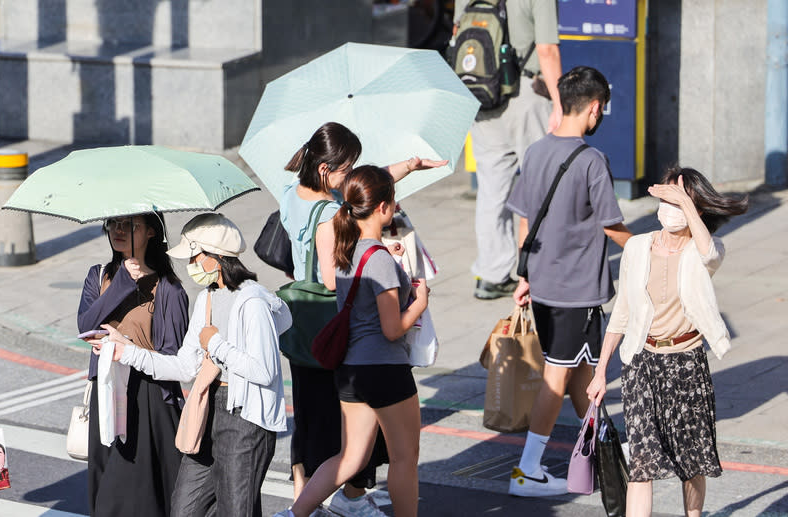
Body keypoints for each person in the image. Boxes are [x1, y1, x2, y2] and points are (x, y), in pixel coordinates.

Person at [279, 122, 444, 516]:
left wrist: (402, 168)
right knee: (405, 458)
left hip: (350, 369)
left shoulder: (344, 252)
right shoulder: (380, 260)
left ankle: (293, 514)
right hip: (384, 369)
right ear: (385, 208)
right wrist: (418, 301)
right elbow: (392, 328)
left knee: (350, 458)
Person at [93, 213, 292, 517]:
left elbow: (263, 372)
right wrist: (127, 352)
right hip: (208, 407)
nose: (191, 266)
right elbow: (185, 367)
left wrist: (215, 344)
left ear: (216, 256)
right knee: (185, 508)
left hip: (245, 419)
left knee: (235, 510)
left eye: (195, 257)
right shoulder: (207, 298)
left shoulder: (252, 303)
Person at [587, 167, 748, 517]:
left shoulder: (702, 251)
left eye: (677, 201)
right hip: (642, 362)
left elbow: (710, 254)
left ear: (697, 208)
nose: (667, 207)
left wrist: (687, 204)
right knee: (642, 460)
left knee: (691, 460)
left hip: (686, 362)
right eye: (664, 199)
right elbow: (622, 314)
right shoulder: (638, 248)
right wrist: (600, 373)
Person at [504, 66, 633, 496]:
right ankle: (528, 469)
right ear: (594, 106)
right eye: (603, 109)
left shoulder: (536, 151)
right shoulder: (592, 161)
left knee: (583, 374)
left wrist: (524, 274)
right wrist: (651, 249)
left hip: (544, 286)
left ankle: (605, 450)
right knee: (557, 378)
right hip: (575, 291)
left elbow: (524, 218)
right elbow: (613, 227)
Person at [77, 213, 188, 517]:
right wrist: (122, 282)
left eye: (130, 225)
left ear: (151, 232)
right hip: (107, 390)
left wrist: (129, 349)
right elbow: (86, 325)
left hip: (148, 397)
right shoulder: (98, 276)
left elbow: (173, 357)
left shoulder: (169, 289)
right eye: (113, 224)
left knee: (137, 497)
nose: (118, 231)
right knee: (104, 484)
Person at [452, 0, 564, 299]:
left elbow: (458, 37)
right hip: (527, 95)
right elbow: (547, 51)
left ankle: (491, 275)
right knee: (543, 185)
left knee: (492, 190)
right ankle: (540, 271)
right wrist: (560, 103)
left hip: (483, 94)